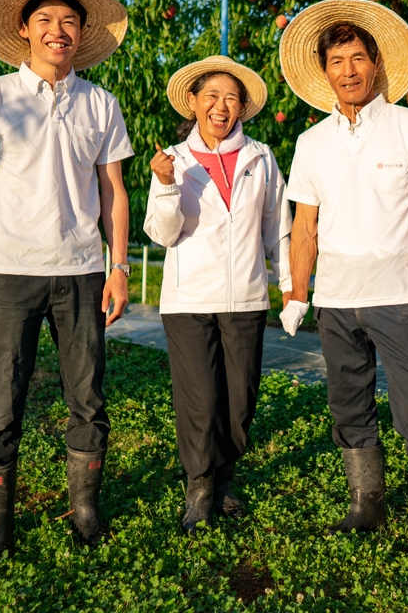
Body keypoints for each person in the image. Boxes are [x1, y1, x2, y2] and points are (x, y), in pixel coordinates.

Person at [0, 0, 135, 565]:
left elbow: (113, 191)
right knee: (3, 399)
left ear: (81, 35)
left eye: (70, 22)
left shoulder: (100, 103)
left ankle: (84, 511)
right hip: (11, 272)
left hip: (82, 271)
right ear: (25, 31)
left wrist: (120, 266)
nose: (59, 32)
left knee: (88, 396)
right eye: (47, 21)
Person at [278, 0, 408, 565]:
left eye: (358, 58)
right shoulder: (312, 142)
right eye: (337, 60)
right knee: (348, 406)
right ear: (324, 71)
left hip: (401, 297)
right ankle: (366, 505)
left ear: (376, 65)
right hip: (336, 300)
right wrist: (297, 293)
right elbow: (304, 225)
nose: (349, 69)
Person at [143, 55, 292, 533]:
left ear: (243, 107)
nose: (221, 106)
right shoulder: (172, 160)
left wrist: (289, 286)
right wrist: (165, 186)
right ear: (193, 101)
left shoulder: (261, 157)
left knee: (239, 400)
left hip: (247, 297)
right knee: (200, 400)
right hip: (189, 300)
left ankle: (225, 478)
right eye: (211, 96)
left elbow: (278, 229)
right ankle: (200, 487)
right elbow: (162, 234)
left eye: (231, 98)